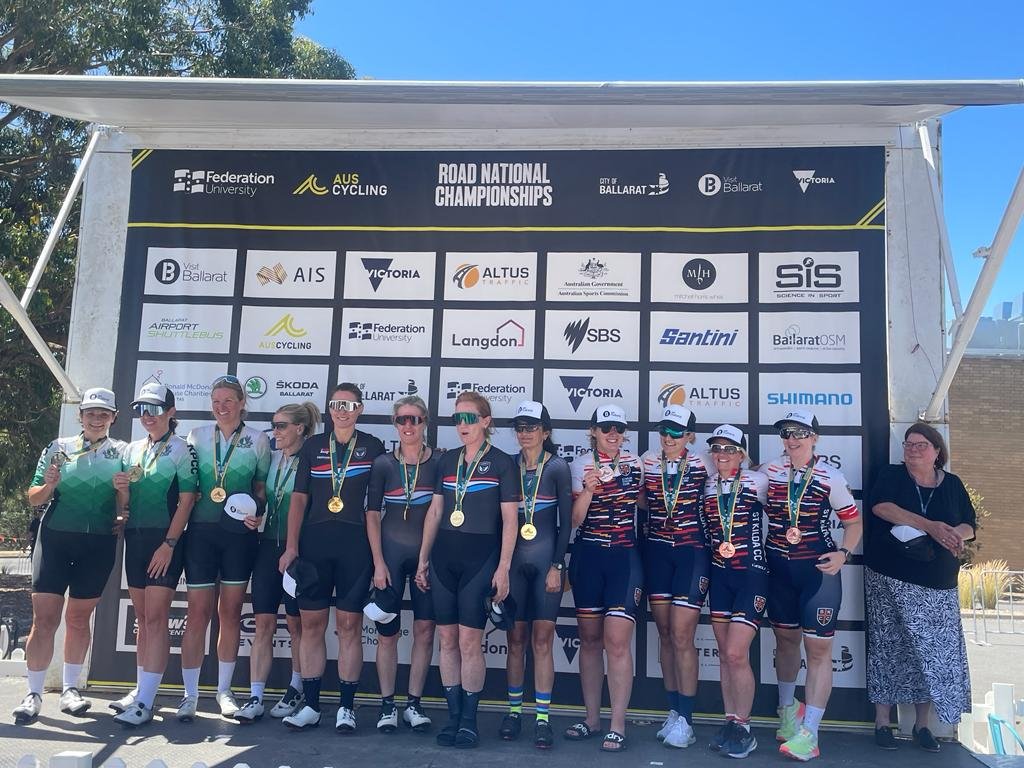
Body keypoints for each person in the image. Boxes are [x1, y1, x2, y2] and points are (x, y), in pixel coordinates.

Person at [14, 388, 128, 724]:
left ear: (113, 418)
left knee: (79, 620)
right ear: (80, 416)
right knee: (45, 620)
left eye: (104, 413)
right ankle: (32, 693)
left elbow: (125, 504)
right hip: (55, 540)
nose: (96, 418)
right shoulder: (58, 447)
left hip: (98, 544)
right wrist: (49, 484)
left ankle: (70, 689)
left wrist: (124, 500)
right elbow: (34, 498)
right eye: (91, 412)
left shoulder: (122, 451)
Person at [278, 383, 385, 732]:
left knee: (349, 626)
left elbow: (378, 506)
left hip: (355, 548)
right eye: (336, 404)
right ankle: (310, 705)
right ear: (329, 408)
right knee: (311, 627)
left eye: (349, 405)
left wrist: (378, 557)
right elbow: (298, 500)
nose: (342, 410)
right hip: (314, 546)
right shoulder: (312, 446)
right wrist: (292, 547)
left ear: (360, 409)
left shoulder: (372, 446)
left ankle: (347, 708)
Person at [415, 391, 518, 749]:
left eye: (470, 418)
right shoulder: (447, 462)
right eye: (458, 418)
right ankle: (454, 717)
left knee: (469, 640)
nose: (463, 425)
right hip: (444, 558)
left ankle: (471, 721)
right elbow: (435, 512)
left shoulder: (503, 463)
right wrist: (423, 558)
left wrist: (503, 568)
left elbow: (509, 521)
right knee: (446, 640)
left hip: (481, 559)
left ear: (486, 422)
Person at [864, 423, 974, 753]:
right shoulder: (891, 476)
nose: (913, 449)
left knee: (926, 655)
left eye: (921, 444)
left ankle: (922, 725)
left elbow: (970, 524)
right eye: (909, 444)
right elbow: (882, 507)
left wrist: (954, 533)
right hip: (889, 579)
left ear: (937, 451)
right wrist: (930, 526)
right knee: (887, 648)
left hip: (938, 586)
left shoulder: (952, 484)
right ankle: (883, 723)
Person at [762, 409, 861, 761]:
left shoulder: (830, 476)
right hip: (778, 571)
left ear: (814, 438)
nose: (793, 439)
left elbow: (854, 522)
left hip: (817, 572)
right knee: (785, 642)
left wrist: (844, 553)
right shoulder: (768, 472)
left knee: (817, 651)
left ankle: (811, 733)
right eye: (787, 433)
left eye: (801, 432)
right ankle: (788, 713)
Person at [178, 375, 271, 721]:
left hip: (239, 537)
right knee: (197, 614)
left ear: (242, 402)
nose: (222, 407)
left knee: (230, 614)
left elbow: (261, 490)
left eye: (229, 400)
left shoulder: (258, 440)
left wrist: (257, 513)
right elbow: (187, 484)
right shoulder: (197, 436)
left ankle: (223, 691)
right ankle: (189, 695)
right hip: (201, 532)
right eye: (216, 401)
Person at [111, 384, 199, 726]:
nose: (147, 416)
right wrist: (121, 495)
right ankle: (140, 689)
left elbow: (187, 500)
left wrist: (169, 544)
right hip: (136, 539)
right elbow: (126, 507)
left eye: (154, 409)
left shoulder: (181, 449)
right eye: (141, 410)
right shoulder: (132, 450)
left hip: (166, 543)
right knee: (142, 620)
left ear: (171, 412)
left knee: (156, 618)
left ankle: (146, 702)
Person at [234, 401, 321, 724]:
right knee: (264, 624)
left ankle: (296, 688)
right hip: (268, 547)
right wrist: (256, 516)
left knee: (297, 625)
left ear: (300, 428)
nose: (275, 432)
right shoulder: (271, 459)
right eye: (274, 425)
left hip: (300, 552)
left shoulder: (311, 461)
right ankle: (256, 695)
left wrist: (295, 548)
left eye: (282, 426)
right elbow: (265, 499)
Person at [564, 403, 644, 753]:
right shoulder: (578, 465)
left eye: (619, 429)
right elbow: (573, 520)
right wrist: (588, 492)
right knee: (590, 640)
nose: (613, 434)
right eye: (606, 428)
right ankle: (592, 719)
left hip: (624, 558)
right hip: (589, 557)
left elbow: (649, 502)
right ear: (593, 430)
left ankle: (618, 725)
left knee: (617, 643)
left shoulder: (637, 463)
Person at [499, 401, 572, 749]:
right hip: (513, 564)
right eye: (520, 427)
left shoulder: (557, 467)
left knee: (542, 642)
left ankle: (542, 718)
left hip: (545, 565)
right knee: (515, 641)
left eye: (532, 427)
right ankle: (514, 712)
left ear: (545, 432)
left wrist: (558, 566)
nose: (525, 433)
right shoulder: (506, 465)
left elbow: (566, 523)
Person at [366, 395, 439, 733]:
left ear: (425, 423)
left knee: (425, 631)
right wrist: (379, 563)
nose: (408, 426)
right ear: (394, 424)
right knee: (388, 635)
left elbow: (439, 515)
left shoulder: (438, 461)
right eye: (402, 420)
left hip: (427, 557)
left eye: (415, 420)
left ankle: (414, 703)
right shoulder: (382, 463)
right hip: (390, 557)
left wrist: (425, 560)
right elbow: (372, 516)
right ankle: (387, 705)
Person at [639, 405, 711, 749]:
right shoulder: (646, 460)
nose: (668, 438)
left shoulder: (706, 461)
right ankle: (673, 711)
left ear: (690, 436)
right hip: (656, 552)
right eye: (664, 431)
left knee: (683, 635)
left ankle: (688, 719)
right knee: (665, 634)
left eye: (676, 432)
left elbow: (745, 471)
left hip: (691, 553)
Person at [703, 424, 768, 759]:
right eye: (716, 449)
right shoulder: (707, 484)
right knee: (725, 656)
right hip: (720, 576)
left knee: (735, 654)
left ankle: (745, 727)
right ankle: (731, 721)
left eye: (729, 449)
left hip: (751, 574)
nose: (722, 455)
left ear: (742, 454)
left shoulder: (760, 481)